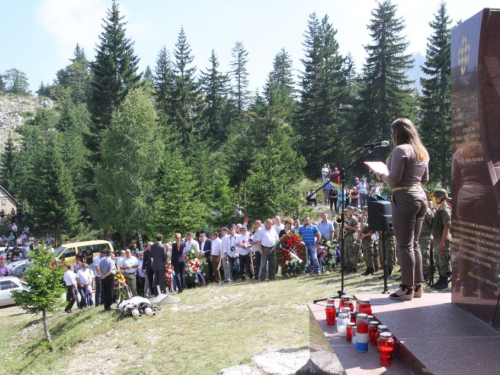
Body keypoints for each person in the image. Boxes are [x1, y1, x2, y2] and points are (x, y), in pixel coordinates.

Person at [374, 118, 429, 300]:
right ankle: (418, 286)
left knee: (404, 244)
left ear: (398, 133)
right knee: (414, 244)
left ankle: (406, 289)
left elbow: (394, 179)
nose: (391, 136)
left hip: (404, 198)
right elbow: (425, 179)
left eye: (392, 133)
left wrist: (380, 175)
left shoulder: (400, 150)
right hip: (421, 197)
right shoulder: (421, 151)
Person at [430, 189, 452, 290]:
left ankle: (444, 281)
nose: (436, 199)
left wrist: (442, 242)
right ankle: (440, 279)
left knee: (444, 261)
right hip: (438, 238)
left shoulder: (446, 210)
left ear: (443, 197)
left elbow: (447, 226)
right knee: (438, 260)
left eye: (438, 197)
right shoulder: (439, 209)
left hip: (443, 239)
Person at [419, 200, 434, 281]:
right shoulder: (418, 210)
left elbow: (432, 225)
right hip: (418, 236)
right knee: (420, 256)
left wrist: (432, 236)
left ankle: (426, 274)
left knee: (425, 256)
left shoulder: (427, 211)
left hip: (425, 237)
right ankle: (421, 274)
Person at [360, 207, 376, 276]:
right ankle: (368, 268)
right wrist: (362, 219)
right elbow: (361, 227)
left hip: (369, 239)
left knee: (369, 255)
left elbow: (373, 231)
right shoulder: (365, 219)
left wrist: (365, 235)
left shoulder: (372, 219)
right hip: (364, 240)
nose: (364, 212)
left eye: (365, 211)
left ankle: (371, 269)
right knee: (366, 255)